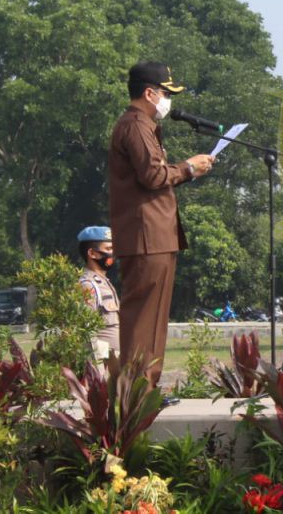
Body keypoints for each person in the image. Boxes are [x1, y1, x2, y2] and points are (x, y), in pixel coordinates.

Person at [109, 62, 215, 384]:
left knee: (153, 319)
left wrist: (187, 170)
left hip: (156, 236)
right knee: (143, 318)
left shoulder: (144, 125)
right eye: (165, 92)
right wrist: (187, 167)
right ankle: (135, 394)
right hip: (146, 237)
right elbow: (154, 175)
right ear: (148, 93)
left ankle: (145, 390)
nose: (168, 99)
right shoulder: (135, 125)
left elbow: (153, 176)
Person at [77, 225, 120, 360]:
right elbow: (87, 332)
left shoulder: (104, 282)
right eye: (108, 249)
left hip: (116, 363)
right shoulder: (88, 285)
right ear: (92, 253)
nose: (112, 253)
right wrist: (98, 371)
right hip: (103, 367)